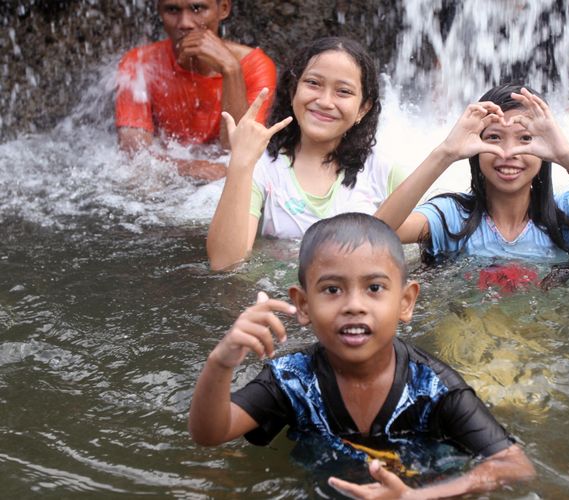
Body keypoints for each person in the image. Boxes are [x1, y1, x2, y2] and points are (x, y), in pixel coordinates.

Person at [189, 213, 536, 498]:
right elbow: (211, 432)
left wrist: (416, 497)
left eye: (374, 288)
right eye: (332, 289)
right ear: (303, 305)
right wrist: (222, 360)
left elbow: (515, 465)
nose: (354, 305)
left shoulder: (432, 387)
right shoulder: (292, 380)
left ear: (405, 301)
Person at [375, 83, 569, 285]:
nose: (508, 153)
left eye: (525, 139)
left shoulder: (564, 216)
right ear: (475, 148)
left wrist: (567, 155)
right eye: (494, 137)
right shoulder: (452, 216)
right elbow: (375, 234)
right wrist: (445, 153)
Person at [206, 36, 405, 271]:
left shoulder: (382, 171)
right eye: (313, 83)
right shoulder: (263, 167)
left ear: (363, 108)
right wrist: (240, 163)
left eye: (343, 91)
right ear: (293, 91)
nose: (324, 101)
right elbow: (225, 263)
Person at [115, 0, 276, 181]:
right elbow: (134, 153)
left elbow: (240, 149)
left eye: (197, 8)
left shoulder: (255, 66)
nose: (185, 23)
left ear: (223, 9)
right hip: (167, 179)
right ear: (159, 12)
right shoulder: (139, 62)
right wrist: (189, 166)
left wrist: (231, 70)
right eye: (172, 10)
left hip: (223, 182)